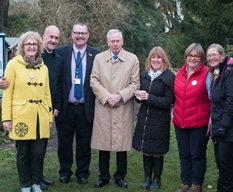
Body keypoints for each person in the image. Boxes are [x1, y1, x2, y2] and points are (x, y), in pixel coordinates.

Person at [2, 31, 53, 192]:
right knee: (23, 153)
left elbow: (47, 93)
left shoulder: (43, 67)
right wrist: (6, 118)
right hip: (20, 117)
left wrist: (49, 117)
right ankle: (25, 184)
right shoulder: (13, 64)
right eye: (28, 44)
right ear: (22, 47)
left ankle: (36, 183)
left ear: (39, 47)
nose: (31, 47)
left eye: (34, 44)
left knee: (38, 153)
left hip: (40, 117)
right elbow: (7, 94)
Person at [90, 29, 140, 188]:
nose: (115, 44)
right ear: (108, 42)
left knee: (121, 144)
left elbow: (135, 84)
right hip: (104, 107)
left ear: (122, 41)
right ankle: (103, 176)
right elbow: (94, 81)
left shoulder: (132, 59)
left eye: (118, 41)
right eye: (112, 41)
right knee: (103, 144)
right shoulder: (99, 58)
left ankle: (120, 176)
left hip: (122, 107)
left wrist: (119, 96)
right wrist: (107, 97)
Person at [55, 22, 100, 184]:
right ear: (71, 34)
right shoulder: (60, 53)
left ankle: (82, 172)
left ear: (88, 35)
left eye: (83, 33)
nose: (80, 36)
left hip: (86, 107)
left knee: (84, 142)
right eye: (77, 33)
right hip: (65, 108)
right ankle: (65, 171)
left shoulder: (96, 55)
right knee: (64, 142)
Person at [132, 46, 175, 190]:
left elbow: (168, 101)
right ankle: (147, 178)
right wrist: (138, 96)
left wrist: (149, 97)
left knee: (157, 150)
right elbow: (138, 96)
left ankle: (157, 180)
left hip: (160, 119)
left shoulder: (169, 77)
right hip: (145, 118)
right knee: (146, 149)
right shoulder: (143, 74)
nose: (156, 60)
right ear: (150, 59)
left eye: (159, 57)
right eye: (153, 57)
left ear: (163, 60)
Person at [173, 43, 211, 192]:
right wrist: (173, 114)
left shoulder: (207, 74)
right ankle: (186, 182)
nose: (193, 58)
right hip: (180, 122)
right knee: (184, 154)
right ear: (186, 57)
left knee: (197, 154)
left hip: (198, 123)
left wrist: (210, 121)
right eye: (190, 55)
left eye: (196, 56)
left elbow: (212, 98)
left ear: (201, 58)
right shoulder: (180, 73)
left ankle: (196, 184)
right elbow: (175, 96)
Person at [206, 43, 233, 192]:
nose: (211, 58)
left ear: (222, 56)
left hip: (228, 130)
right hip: (219, 128)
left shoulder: (229, 72)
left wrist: (223, 126)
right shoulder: (217, 73)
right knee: (222, 165)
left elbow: (231, 100)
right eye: (209, 55)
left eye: (214, 55)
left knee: (226, 166)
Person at [39, 25, 62, 189]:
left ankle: (39, 175)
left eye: (56, 38)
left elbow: (58, 84)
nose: (53, 40)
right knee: (33, 147)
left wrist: (57, 105)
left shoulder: (58, 59)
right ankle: (33, 177)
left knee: (42, 146)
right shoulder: (33, 55)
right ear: (43, 36)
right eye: (51, 37)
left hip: (48, 109)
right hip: (32, 108)